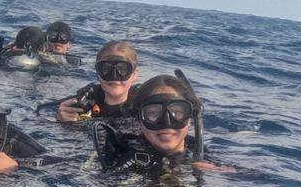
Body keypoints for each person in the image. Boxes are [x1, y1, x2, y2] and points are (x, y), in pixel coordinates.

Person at [91, 73, 219, 174]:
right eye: (153, 113)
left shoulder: (201, 151)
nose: (166, 123)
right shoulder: (124, 154)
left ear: (190, 118)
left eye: (177, 112)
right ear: (139, 120)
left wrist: (218, 175)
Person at [55, 41, 139, 124]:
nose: (114, 76)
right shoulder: (80, 104)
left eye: (123, 69)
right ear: (98, 73)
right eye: (106, 69)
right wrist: (62, 122)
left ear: (135, 75)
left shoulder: (143, 108)